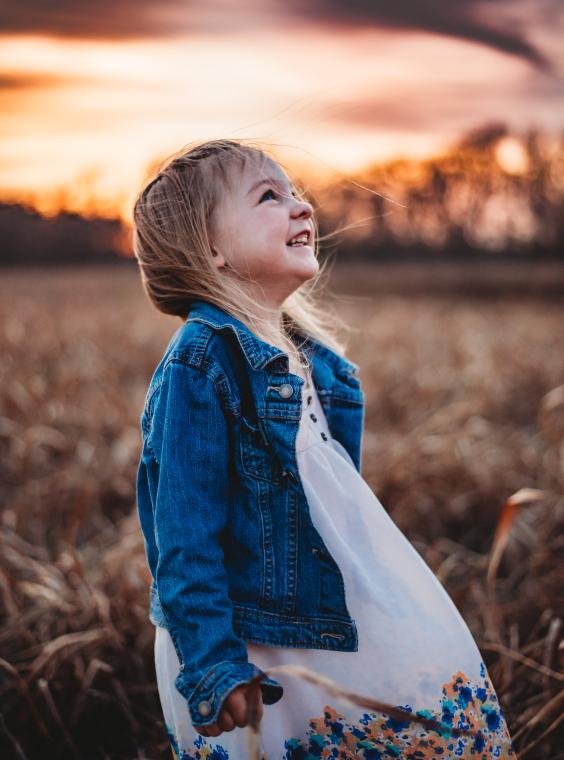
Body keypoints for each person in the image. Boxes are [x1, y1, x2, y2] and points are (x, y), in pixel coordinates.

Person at [132, 139, 515, 758]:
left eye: (296, 193)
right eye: (269, 197)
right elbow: (183, 533)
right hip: (262, 637)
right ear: (211, 250)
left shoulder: (307, 356)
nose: (301, 208)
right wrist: (213, 661)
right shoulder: (201, 363)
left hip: (336, 593)